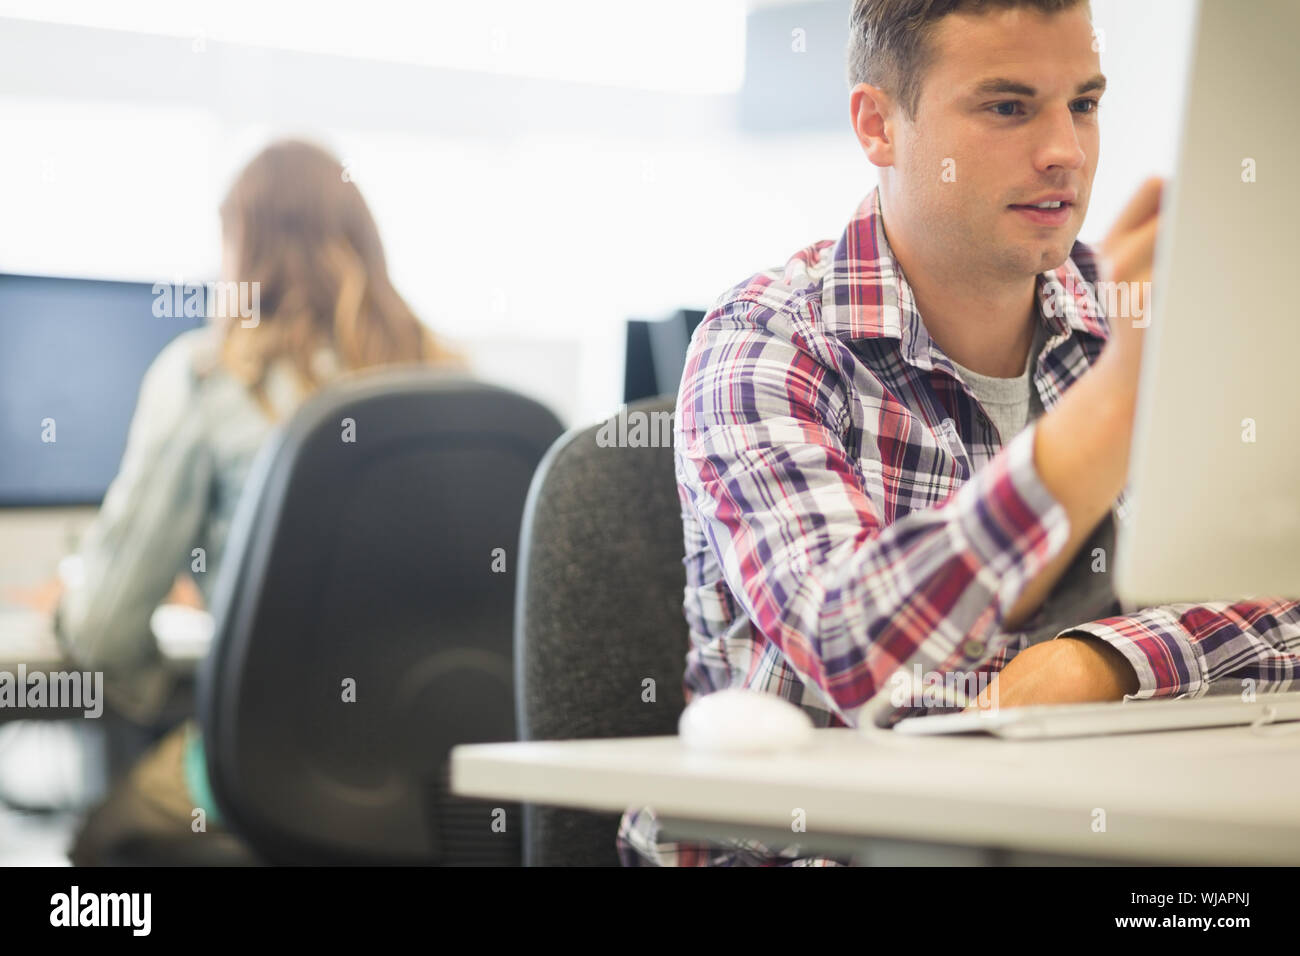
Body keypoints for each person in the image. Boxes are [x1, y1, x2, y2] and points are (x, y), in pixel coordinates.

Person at [617, 0, 1300, 866]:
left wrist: (1104, 661)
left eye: (1083, 104)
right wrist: (1113, 409)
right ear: (878, 125)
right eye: (1008, 107)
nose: (1067, 152)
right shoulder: (766, 340)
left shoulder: (1122, 307)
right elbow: (847, 647)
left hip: (1057, 837)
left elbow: (1282, 592)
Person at [53, 138, 465, 864]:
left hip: (274, 777)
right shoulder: (458, 384)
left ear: (243, 249)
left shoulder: (209, 378)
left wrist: (162, 676)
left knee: (101, 836)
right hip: (438, 788)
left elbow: (106, 631)